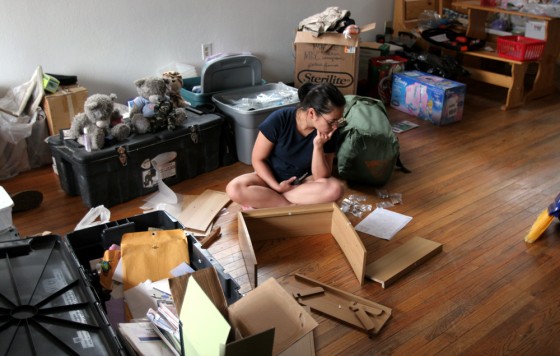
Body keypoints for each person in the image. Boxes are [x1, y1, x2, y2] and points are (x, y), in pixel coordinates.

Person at [226, 82, 346, 209]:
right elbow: (257, 159)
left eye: (338, 121)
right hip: (268, 179)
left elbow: (321, 177)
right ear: (312, 113)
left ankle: (270, 201)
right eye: (332, 121)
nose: (335, 126)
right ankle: (289, 206)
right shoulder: (280, 119)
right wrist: (276, 186)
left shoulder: (329, 132)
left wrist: (318, 147)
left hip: (300, 184)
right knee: (234, 188)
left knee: (335, 189)